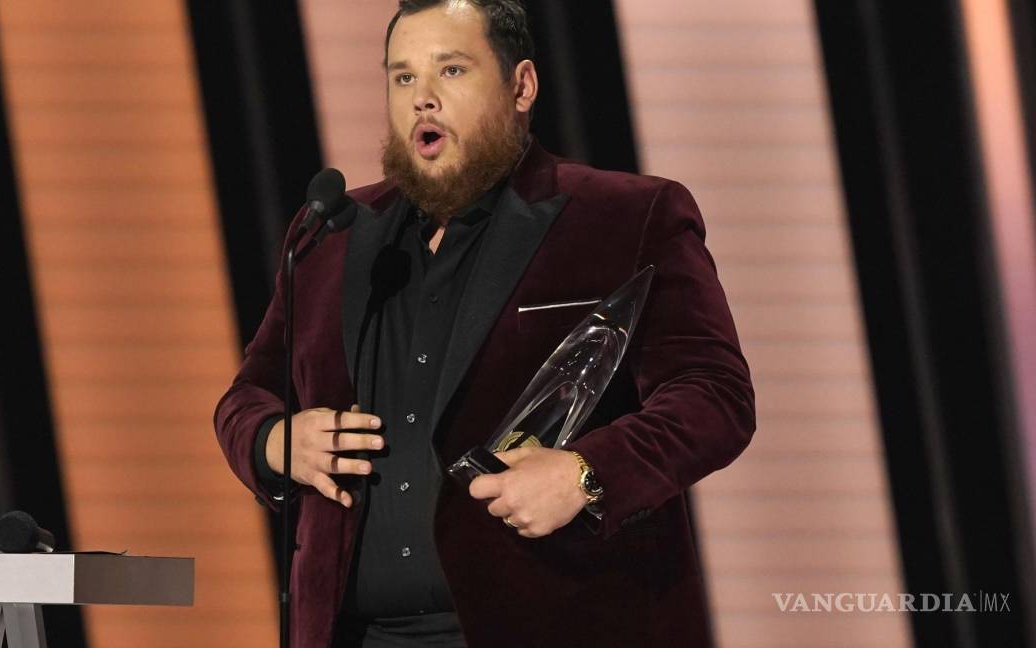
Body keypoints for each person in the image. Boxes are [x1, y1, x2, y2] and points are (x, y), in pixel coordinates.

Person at [214, 1, 755, 646]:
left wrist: (588, 473)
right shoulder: (332, 234)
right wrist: (277, 442)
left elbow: (715, 395)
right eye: (403, 77)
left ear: (521, 85)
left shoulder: (627, 217)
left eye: (451, 70)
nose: (423, 99)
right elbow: (246, 397)